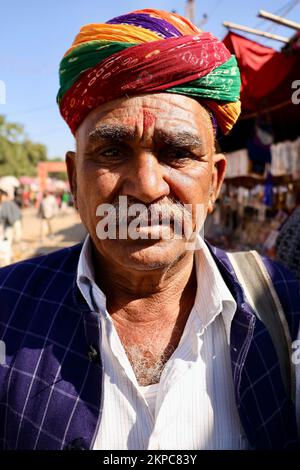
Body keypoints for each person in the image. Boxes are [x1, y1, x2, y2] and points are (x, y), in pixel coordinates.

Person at [0, 9, 299, 451]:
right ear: (74, 178)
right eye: (112, 150)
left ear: (214, 182)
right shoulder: (8, 310)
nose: (146, 186)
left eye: (177, 153)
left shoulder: (287, 312)